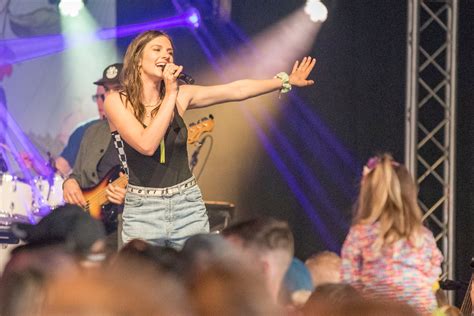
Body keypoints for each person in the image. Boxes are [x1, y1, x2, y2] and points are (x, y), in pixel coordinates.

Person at [104, 30, 316, 249]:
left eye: (170, 52)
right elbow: (146, 145)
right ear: (138, 59)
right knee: (143, 280)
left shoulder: (181, 95)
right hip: (143, 209)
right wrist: (170, 94)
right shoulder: (117, 101)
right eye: (157, 50)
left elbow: (236, 90)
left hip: (185, 205)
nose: (166, 56)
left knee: (197, 276)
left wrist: (284, 81)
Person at [341, 153, 443, 315]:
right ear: (410, 194)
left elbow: (349, 283)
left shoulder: (360, 234)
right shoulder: (423, 236)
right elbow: (432, 274)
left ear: (368, 195)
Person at [55, 63, 123, 177]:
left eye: (115, 90)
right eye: (100, 96)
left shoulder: (140, 128)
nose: (103, 100)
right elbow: (60, 170)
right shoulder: (86, 131)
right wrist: (71, 182)